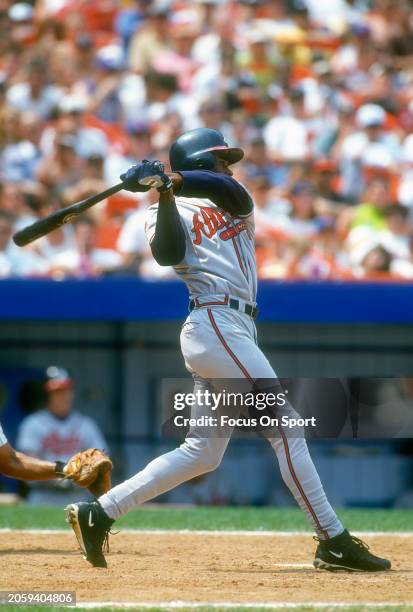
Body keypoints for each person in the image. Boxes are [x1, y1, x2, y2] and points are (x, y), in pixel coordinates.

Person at [65, 128, 391, 572]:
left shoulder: (228, 195)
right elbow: (167, 254)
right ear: (200, 161)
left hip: (232, 327)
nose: (229, 167)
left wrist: (170, 179)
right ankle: (333, 539)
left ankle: (99, 512)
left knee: (203, 451)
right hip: (214, 321)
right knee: (287, 427)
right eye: (220, 159)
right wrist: (162, 194)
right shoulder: (161, 209)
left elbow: (231, 192)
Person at [16, 366, 108, 505]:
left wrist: (88, 472)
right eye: (57, 392)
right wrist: (58, 477)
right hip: (42, 497)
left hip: (78, 497)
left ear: (72, 393)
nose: (63, 396)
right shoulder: (33, 424)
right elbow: (27, 462)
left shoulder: (86, 425)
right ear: (46, 396)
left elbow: (101, 458)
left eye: (66, 390)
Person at [0, 421, 66, 482]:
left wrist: (65, 469)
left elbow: (11, 461)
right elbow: (11, 462)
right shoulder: (34, 422)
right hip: (40, 489)